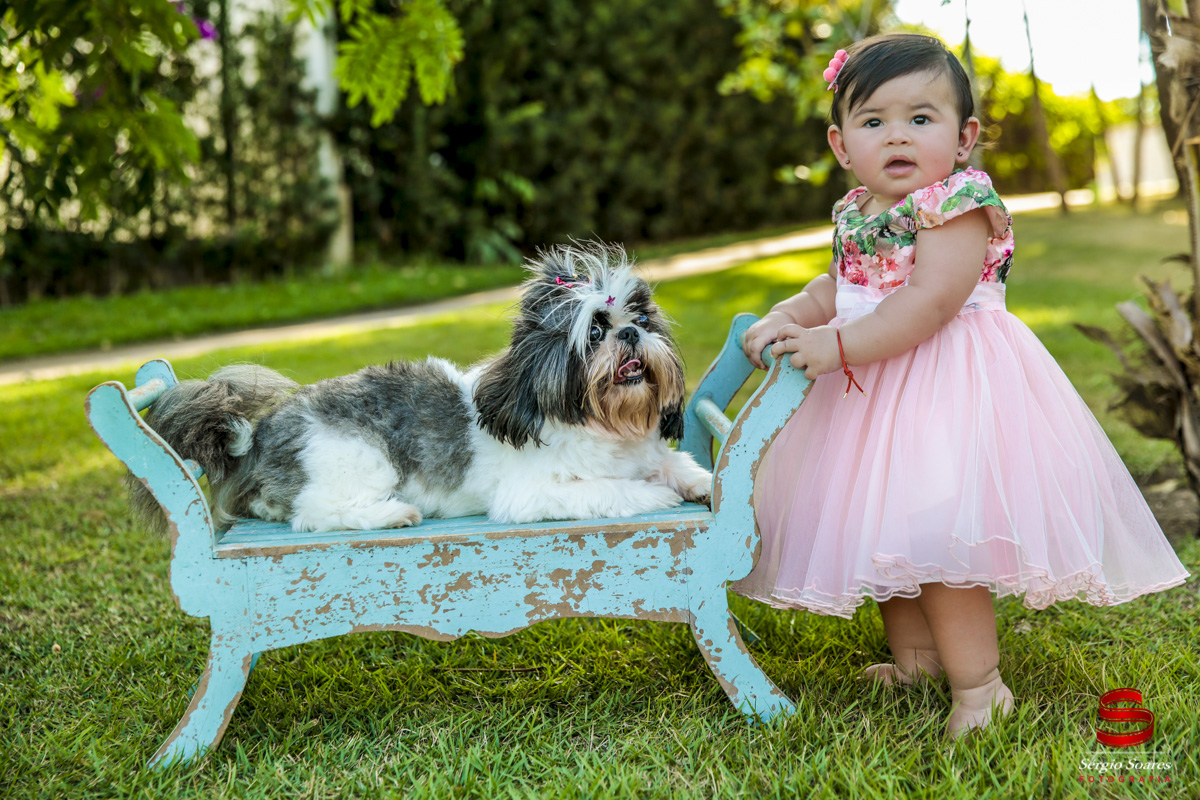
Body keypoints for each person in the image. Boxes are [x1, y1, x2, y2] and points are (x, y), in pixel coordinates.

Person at [730, 32, 1189, 737]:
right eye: (873, 120)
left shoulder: (957, 203)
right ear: (840, 144)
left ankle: (981, 689)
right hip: (871, 399)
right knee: (885, 531)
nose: (897, 136)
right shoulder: (857, 211)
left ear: (965, 135)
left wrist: (838, 343)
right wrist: (794, 314)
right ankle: (917, 661)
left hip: (947, 393)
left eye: (921, 118)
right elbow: (841, 286)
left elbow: (929, 302)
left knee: (943, 543)